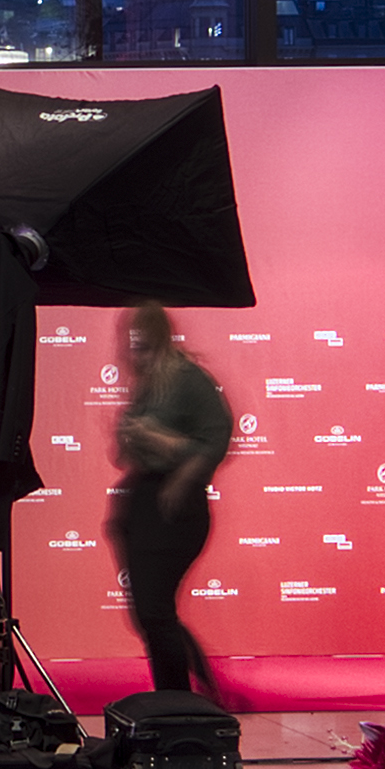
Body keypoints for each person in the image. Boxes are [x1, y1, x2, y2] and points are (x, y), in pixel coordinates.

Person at [109, 300, 235, 700]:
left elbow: (216, 440)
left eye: (143, 346)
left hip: (173, 510)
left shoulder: (186, 379)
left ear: (159, 341)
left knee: (154, 612)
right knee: (151, 613)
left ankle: (177, 702)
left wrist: (164, 447)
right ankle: (194, 686)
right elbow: (123, 455)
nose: (134, 354)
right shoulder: (148, 383)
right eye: (132, 345)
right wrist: (132, 437)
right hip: (143, 504)